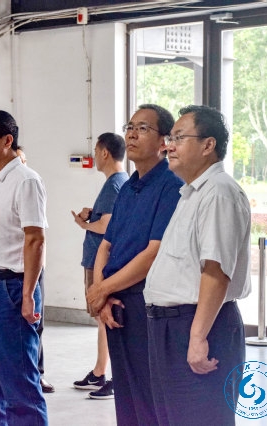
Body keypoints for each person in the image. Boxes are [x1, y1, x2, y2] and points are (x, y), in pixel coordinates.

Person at [145, 105, 252, 425]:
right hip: (174, 327)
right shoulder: (192, 193)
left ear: (208, 145)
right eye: (170, 138)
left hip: (201, 326)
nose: (169, 146)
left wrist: (197, 337)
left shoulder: (218, 193)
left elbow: (216, 272)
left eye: (179, 138)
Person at [86, 104, 183, 425]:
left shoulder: (171, 185)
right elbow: (107, 245)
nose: (131, 134)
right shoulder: (129, 187)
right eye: (130, 127)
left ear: (164, 142)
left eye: (143, 128)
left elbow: (154, 252)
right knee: (126, 393)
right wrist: (102, 294)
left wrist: (101, 290)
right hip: (115, 303)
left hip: (147, 305)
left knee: (149, 395)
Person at [0, 110, 48, 425]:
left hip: (8, 289)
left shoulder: (25, 180)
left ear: (7, 140)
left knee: (19, 387)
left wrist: (28, 294)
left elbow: (35, 239)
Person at [71, 132, 128, 400]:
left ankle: (114, 377)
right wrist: (91, 215)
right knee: (102, 320)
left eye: (95, 151)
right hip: (99, 261)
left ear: (105, 152)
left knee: (106, 317)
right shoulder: (118, 182)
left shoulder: (115, 184)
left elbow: (106, 226)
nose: (94, 156)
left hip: (100, 264)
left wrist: (83, 224)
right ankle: (99, 371)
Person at [14, 145, 54, 394]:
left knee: (36, 324)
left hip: (34, 269)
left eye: (24, 160)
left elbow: (38, 237)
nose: (22, 165)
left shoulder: (31, 185)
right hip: (12, 270)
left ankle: (38, 374)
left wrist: (41, 269)